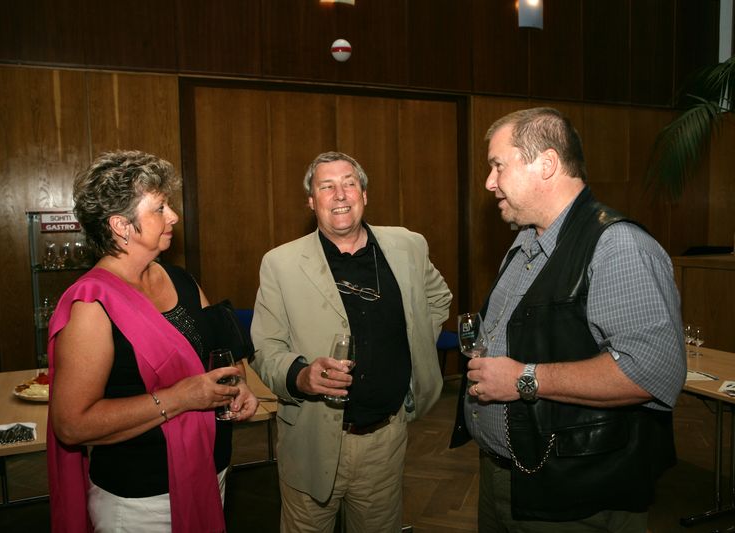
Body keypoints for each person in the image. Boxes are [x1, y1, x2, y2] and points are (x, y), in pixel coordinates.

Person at [450, 107, 686, 532]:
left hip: (575, 494)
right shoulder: (525, 243)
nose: (489, 182)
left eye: (498, 166)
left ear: (546, 164)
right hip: (507, 477)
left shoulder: (617, 245)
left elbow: (652, 373)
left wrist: (524, 379)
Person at [47, 150, 258, 533]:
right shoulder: (92, 306)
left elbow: (222, 353)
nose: (173, 216)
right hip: (141, 500)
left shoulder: (182, 280)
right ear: (121, 225)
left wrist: (237, 384)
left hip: (210, 472)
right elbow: (72, 425)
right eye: (160, 208)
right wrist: (180, 398)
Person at [251, 151, 453, 533]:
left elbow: (438, 297)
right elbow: (266, 348)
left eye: (349, 183)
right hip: (310, 442)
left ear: (364, 194)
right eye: (326, 187)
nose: (340, 194)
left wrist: (412, 348)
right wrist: (301, 376)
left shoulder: (408, 245)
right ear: (312, 202)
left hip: (384, 442)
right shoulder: (280, 264)